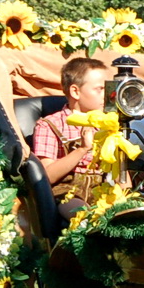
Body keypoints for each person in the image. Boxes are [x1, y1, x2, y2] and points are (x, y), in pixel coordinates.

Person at [31, 57, 110, 210]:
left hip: (103, 191)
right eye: (100, 89)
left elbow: (122, 180)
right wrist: (82, 149)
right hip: (67, 193)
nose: (106, 95)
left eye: (108, 88)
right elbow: (47, 176)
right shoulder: (50, 125)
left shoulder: (108, 124)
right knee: (80, 211)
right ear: (75, 91)